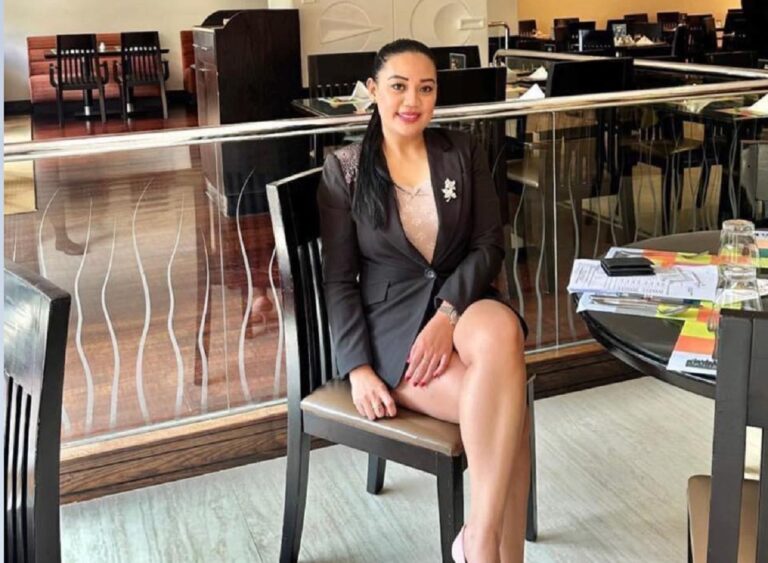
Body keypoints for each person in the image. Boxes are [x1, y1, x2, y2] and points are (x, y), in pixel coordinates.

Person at [317, 39, 530, 563]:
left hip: (459, 301)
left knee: (501, 332)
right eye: (398, 86)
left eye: (426, 88)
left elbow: (489, 245)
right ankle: (492, 552)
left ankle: (477, 540)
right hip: (391, 329)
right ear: (373, 91)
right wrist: (359, 370)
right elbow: (339, 280)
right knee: (509, 413)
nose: (412, 100)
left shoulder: (461, 150)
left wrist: (447, 314)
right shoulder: (346, 170)